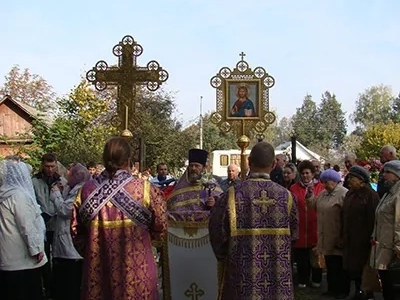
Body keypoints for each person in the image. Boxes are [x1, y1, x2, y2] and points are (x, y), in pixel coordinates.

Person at [71, 137, 167, 300]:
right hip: (138, 271)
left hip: (98, 269)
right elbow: (161, 227)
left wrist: (93, 250)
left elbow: (76, 231)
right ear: (128, 160)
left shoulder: (86, 191)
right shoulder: (145, 189)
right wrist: (145, 242)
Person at [209, 142, 298, 300]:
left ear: (249, 162)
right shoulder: (288, 197)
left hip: (241, 278)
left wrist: (226, 258)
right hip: (278, 277)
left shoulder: (230, 196)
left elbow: (217, 234)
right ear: (273, 164)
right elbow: (294, 237)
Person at [0, 160, 47, 300]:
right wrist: (36, 249)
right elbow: (27, 225)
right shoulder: (19, 196)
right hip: (23, 260)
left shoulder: (5, 194)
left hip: (7, 256)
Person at [306, 169, 350, 298]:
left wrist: (342, 236)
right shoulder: (324, 194)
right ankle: (332, 288)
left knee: (340, 265)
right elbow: (314, 205)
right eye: (323, 182)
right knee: (330, 264)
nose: (324, 185)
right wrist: (310, 196)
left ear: (334, 181)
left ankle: (343, 290)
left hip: (337, 234)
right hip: (325, 235)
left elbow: (346, 216)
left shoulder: (343, 194)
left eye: (327, 182)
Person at [50, 163, 91, 300]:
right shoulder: (75, 188)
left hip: (71, 249)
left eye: (70, 175)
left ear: (76, 176)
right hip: (67, 246)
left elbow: (64, 210)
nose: (67, 178)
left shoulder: (80, 191)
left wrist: (56, 194)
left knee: (70, 286)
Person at [32, 153, 67, 299]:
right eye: (47, 166)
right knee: (44, 255)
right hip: (42, 222)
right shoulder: (34, 181)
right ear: (42, 165)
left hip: (57, 223)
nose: (50, 169)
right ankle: (46, 286)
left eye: (53, 166)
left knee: (58, 256)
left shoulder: (62, 180)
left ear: (56, 165)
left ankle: (57, 286)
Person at [342, 166, 379, 300]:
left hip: (363, 238)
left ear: (361, 180)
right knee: (352, 267)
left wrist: (370, 237)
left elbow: (373, 218)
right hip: (350, 236)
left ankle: (367, 293)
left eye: (352, 178)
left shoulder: (371, 196)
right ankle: (357, 291)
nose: (349, 180)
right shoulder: (350, 193)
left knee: (363, 266)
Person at [290, 160, 324, 288]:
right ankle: (302, 279)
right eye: (303, 173)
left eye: (307, 173)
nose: (305, 176)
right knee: (301, 257)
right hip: (300, 226)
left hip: (315, 225)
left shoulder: (321, 187)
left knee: (315, 255)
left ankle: (317, 279)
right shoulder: (293, 188)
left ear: (313, 174)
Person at [370, 160, 400, 300]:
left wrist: (398, 248)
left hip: (393, 250)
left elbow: (399, 223)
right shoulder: (389, 193)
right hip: (382, 245)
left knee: (393, 287)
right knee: (386, 285)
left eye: (388, 172)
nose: (384, 175)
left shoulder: (398, 195)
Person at [168, 149, 223, 221]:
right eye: (191, 166)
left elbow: (224, 207)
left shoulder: (212, 186)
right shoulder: (180, 188)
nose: (193, 168)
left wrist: (214, 204)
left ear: (203, 168)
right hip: (184, 229)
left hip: (206, 229)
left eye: (197, 166)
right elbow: (171, 210)